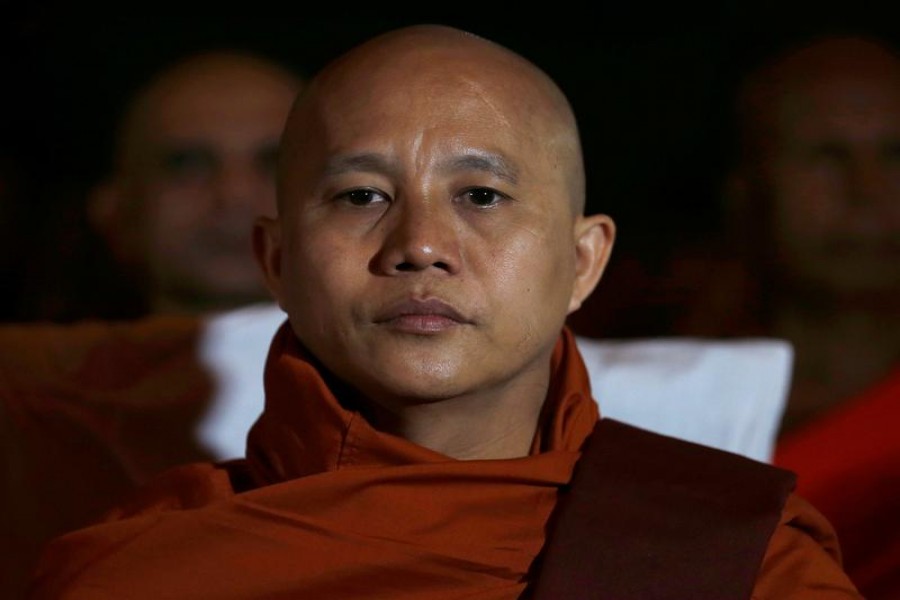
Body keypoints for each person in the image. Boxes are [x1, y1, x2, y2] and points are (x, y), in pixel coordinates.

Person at [26, 24, 860, 598]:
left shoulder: (732, 556)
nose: (420, 244)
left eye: (482, 195)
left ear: (582, 261)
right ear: (276, 261)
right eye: (361, 195)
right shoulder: (142, 568)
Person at [721, 33, 900, 598]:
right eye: (827, 156)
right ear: (746, 189)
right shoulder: (654, 410)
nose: (867, 192)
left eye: (897, 156)